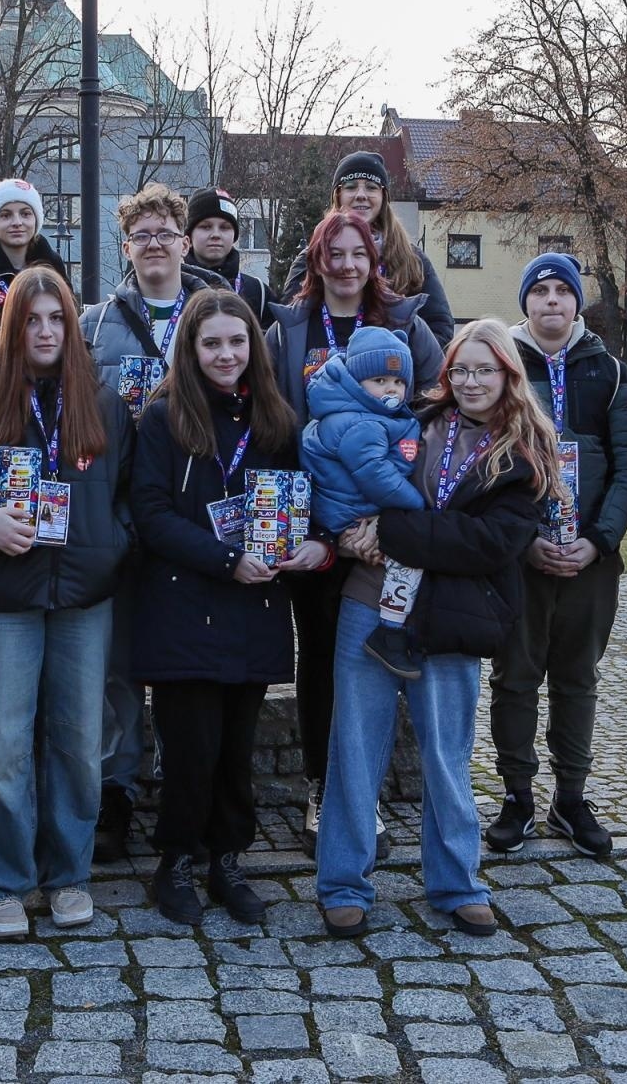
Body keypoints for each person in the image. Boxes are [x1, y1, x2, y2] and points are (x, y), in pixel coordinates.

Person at [319, 319, 559, 939]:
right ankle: (344, 882)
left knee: (447, 755)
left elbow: (487, 542)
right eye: (460, 369)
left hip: (452, 616)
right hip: (371, 600)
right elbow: (349, 475)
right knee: (353, 749)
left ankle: (456, 882)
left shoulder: (525, 451)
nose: (471, 381)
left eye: (485, 369)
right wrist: (347, 530)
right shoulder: (414, 422)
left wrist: (393, 533)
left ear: (509, 373)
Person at [0, 265, 136, 939]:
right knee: (0, 748)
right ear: (10, 328)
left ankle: (67, 874)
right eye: (32, 320)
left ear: (72, 326)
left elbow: (127, 487)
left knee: (77, 742)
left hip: (82, 599)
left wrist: (110, 546)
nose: (44, 332)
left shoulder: (101, 398)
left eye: (56, 319)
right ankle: (1, 881)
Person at [129, 288, 325, 925]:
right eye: (211, 342)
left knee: (236, 746)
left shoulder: (276, 420)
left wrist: (309, 547)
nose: (225, 354)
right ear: (190, 348)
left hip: (254, 606)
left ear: (254, 347)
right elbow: (151, 514)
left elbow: (306, 504)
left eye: (236, 341)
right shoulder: (163, 417)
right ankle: (176, 861)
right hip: (186, 603)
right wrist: (223, 558)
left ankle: (227, 860)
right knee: (190, 748)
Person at [265, 210, 443, 853]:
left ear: (374, 261)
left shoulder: (406, 327)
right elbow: (272, 425)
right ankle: (322, 788)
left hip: (383, 532)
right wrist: (310, 527)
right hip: (313, 530)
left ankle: (363, 793)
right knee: (316, 657)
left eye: (357, 254)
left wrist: (387, 523)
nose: (345, 265)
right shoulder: (287, 332)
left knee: (375, 660)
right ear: (316, 261)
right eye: (332, 254)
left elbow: (432, 422)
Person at [81, 182, 224, 862]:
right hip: (117, 511)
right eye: (143, 236)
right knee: (115, 672)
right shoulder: (98, 322)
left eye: (167, 232)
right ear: (127, 246)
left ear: (186, 241)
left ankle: (183, 794)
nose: (156, 245)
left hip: (190, 511)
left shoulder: (213, 315)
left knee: (181, 662)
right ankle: (116, 793)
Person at [485, 253, 627, 857]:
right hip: (521, 556)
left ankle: (570, 798)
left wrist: (598, 541)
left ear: (577, 302)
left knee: (577, 678)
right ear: (525, 301)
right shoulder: (503, 363)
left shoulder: (607, 369)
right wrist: (522, 541)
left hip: (590, 558)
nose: (552, 301)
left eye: (562, 291)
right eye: (540, 291)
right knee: (515, 676)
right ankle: (517, 797)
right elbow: (484, 458)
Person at [300, 327, 428, 679]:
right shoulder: (363, 424)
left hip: (356, 509)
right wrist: (416, 507)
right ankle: (390, 629)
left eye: (398, 382)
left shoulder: (372, 416)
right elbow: (374, 474)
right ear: (356, 382)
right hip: (350, 513)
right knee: (410, 556)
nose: (391, 389)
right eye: (379, 379)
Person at [281, 150, 455, 347]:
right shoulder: (310, 259)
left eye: (371, 187)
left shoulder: (412, 259)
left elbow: (440, 327)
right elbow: (289, 323)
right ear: (337, 196)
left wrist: (401, 364)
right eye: (351, 187)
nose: (361, 195)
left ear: (383, 197)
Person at [0, 178, 70, 308]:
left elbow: (68, 316)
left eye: (25, 214)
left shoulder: (53, 266)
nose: (17, 222)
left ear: (36, 220)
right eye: (6, 215)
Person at [186, 187, 277, 324]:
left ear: (234, 235)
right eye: (205, 227)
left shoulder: (258, 292)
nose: (216, 235)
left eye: (224, 227)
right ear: (189, 235)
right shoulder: (175, 287)